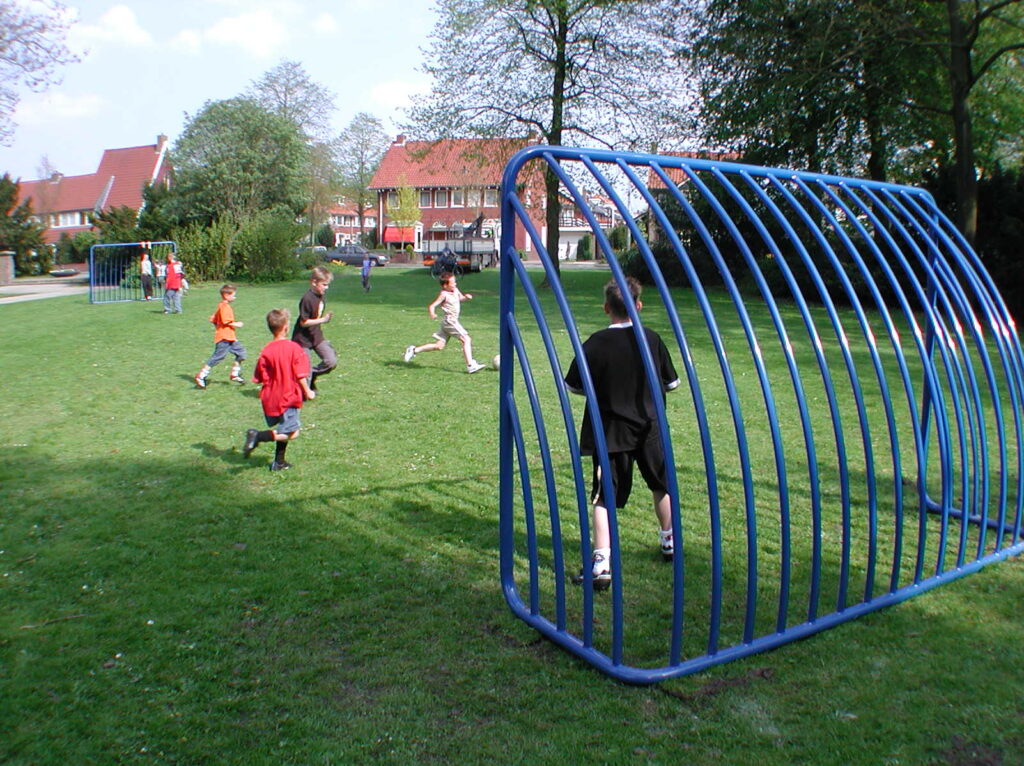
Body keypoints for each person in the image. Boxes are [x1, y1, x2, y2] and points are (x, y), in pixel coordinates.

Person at [564, 277, 680, 590]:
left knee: (604, 496)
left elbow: (573, 385)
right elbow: (672, 383)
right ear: (638, 306)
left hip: (609, 432)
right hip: (649, 426)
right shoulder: (651, 338)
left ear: (606, 309)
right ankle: (670, 542)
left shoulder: (595, 342)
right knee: (662, 483)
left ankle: (602, 562)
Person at [243, 308, 315, 471]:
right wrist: (308, 392)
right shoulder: (293, 348)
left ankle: (279, 462)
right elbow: (300, 374)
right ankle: (258, 436)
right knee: (293, 433)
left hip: (270, 398)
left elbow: (259, 377)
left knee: (284, 428)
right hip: (287, 397)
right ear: (286, 327)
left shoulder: (266, 350)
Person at [403, 272, 485, 373]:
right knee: (466, 339)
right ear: (445, 285)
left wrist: (466, 297)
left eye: (455, 282)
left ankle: (414, 350)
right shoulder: (444, 294)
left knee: (439, 346)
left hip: (447, 323)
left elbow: (460, 298)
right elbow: (432, 306)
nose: (455, 284)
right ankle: (470, 365)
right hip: (450, 321)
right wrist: (432, 313)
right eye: (453, 283)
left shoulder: (455, 290)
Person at [292, 265, 337, 391]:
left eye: (327, 284)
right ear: (313, 282)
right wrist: (323, 320)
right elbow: (303, 322)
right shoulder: (307, 299)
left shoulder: (320, 295)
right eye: (324, 284)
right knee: (304, 370)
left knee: (331, 361)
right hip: (302, 340)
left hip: (316, 336)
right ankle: (303, 394)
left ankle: (313, 374)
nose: (326, 288)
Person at [194, 284, 247, 389]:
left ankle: (234, 374)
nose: (235, 297)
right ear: (226, 295)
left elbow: (213, 319)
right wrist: (237, 324)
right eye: (233, 295)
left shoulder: (222, 306)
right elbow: (225, 321)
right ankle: (201, 375)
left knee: (242, 353)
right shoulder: (224, 307)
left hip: (230, 337)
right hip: (224, 338)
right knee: (218, 357)